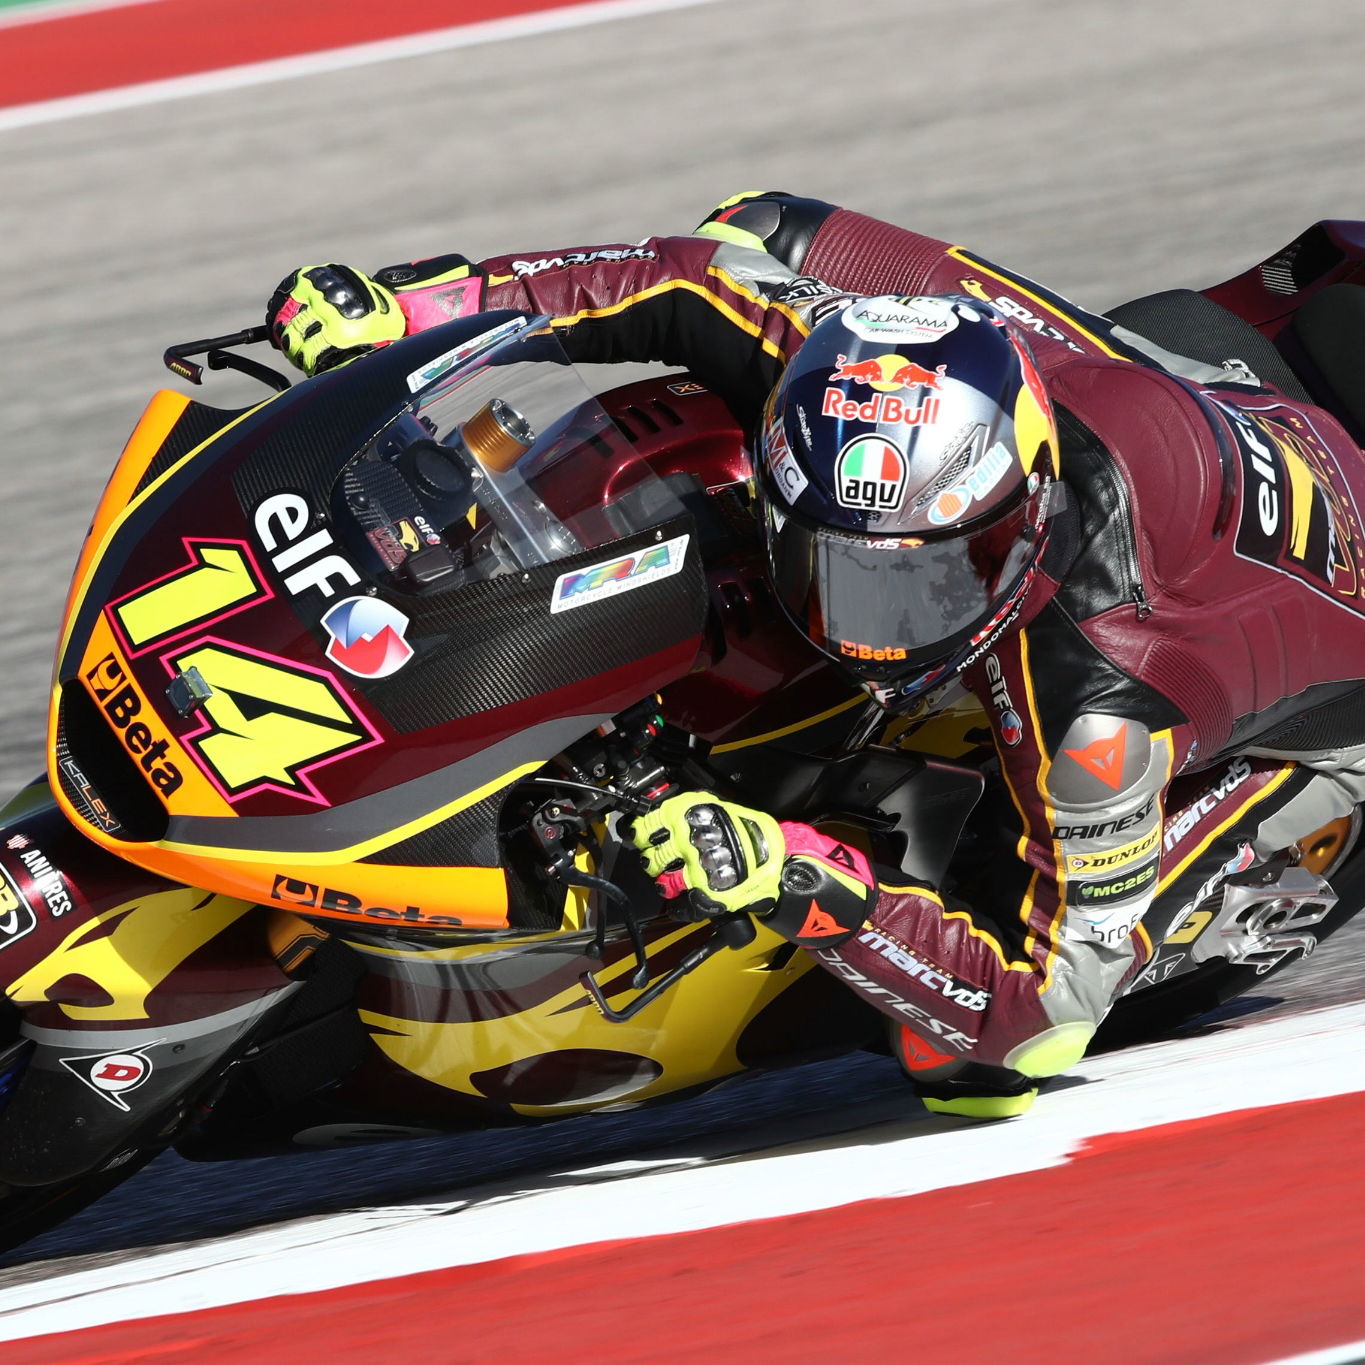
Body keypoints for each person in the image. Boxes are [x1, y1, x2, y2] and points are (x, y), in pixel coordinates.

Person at [264, 192, 1365, 1117]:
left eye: (925, 581)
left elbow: (1042, 1018)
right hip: (1164, 389)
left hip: (1318, 716)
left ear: (1020, 522)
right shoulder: (864, 366)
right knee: (757, 227)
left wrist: (807, 885)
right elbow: (685, 277)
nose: (867, 626)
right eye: (835, 566)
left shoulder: (1103, 705)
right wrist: (425, 307)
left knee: (959, 1062)